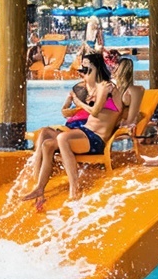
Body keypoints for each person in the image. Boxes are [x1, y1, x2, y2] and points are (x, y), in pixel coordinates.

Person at [22, 52, 122, 206]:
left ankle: (74, 189)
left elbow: (94, 111)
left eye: (88, 68)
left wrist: (77, 101)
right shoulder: (96, 88)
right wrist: (72, 100)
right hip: (85, 133)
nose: (85, 71)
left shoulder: (107, 86)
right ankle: (39, 186)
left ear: (97, 68)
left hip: (97, 139)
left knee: (62, 138)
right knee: (46, 138)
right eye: (84, 68)